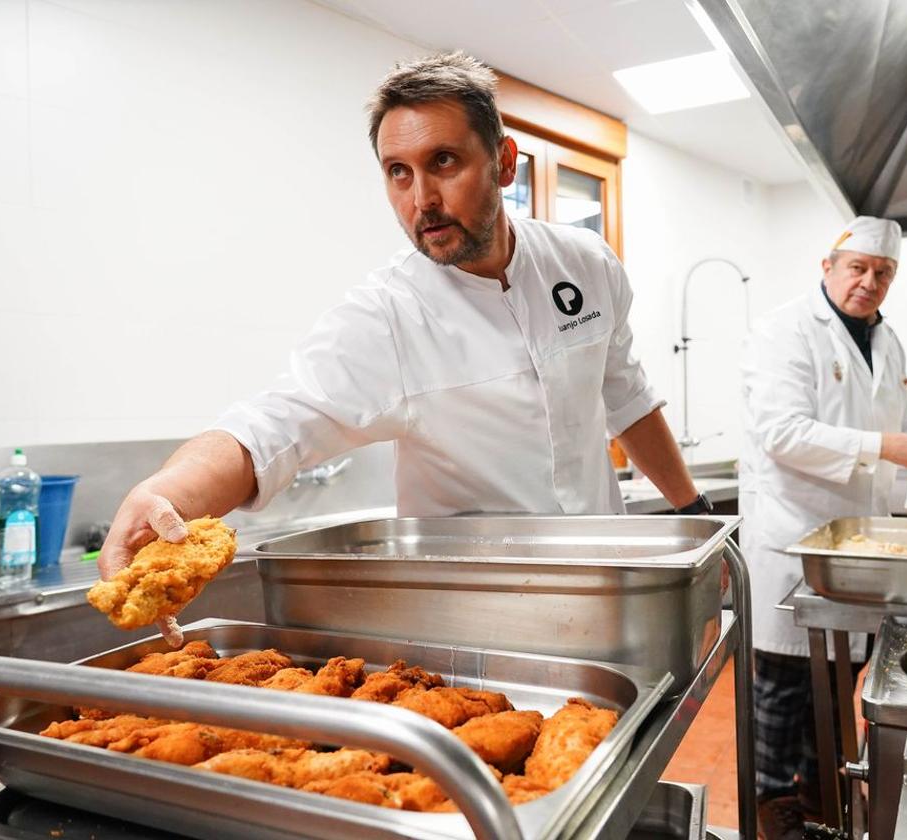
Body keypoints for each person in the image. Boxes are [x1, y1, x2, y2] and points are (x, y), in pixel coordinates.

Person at [98, 52, 710, 644]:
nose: (421, 199)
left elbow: (625, 392)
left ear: (503, 162)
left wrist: (693, 511)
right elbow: (270, 426)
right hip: (480, 625)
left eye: (443, 161)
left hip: (607, 593)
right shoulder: (387, 316)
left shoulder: (587, 262)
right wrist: (169, 492)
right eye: (399, 172)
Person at [739, 216, 907, 838]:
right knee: (782, 692)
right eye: (857, 268)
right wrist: (890, 445)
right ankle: (771, 812)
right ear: (827, 267)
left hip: (854, 549)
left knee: (834, 686)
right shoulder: (786, 330)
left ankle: (822, 802)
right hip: (792, 540)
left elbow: (902, 421)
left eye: (883, 272)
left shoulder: (887, 341)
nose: (869, 282)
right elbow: (782, 433)